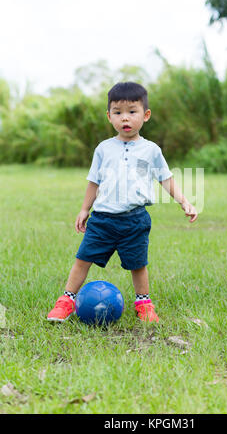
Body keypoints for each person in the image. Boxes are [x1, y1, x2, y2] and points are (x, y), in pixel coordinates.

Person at [47, 82, 197, 324]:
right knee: (82, 259)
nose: (124, 118)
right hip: (102, 219)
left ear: (145, 115)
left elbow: (165, 179)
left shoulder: (151, 150)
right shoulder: (104, 149)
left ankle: (143, 303)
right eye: (117, 112)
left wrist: (184, 201)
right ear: (109, 116)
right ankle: (67, 300)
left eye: (132, 112)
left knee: (138, 264)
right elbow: (94, 182)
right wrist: (85, 209)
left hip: (135, 219)